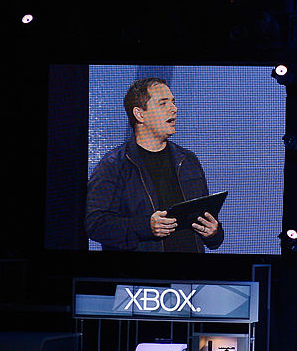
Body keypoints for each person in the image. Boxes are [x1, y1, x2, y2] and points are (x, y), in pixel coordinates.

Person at [85, 77, 224, 252]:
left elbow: (209, 226)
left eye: (173, 102)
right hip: (142, 277)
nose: (174, 109)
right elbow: (95, 224)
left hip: (190, 276)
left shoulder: (188, 160)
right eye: (163, 104)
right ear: (139, 114)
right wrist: (145, 227)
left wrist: (214, 232)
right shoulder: (113, 165)